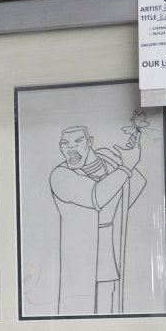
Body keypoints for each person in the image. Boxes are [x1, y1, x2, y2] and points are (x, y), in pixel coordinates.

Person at [49, 126, 146, 315]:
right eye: (65, 143)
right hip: (80, 257)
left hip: (108, 251)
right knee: (80, 310)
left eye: (77, 141)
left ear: (89, 142)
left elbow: (130, 192)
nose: (70, 148)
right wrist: (126, 167)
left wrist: (128, 160)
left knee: (108, 310)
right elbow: (96, 196)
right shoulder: (60, 176)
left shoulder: (109, 160)